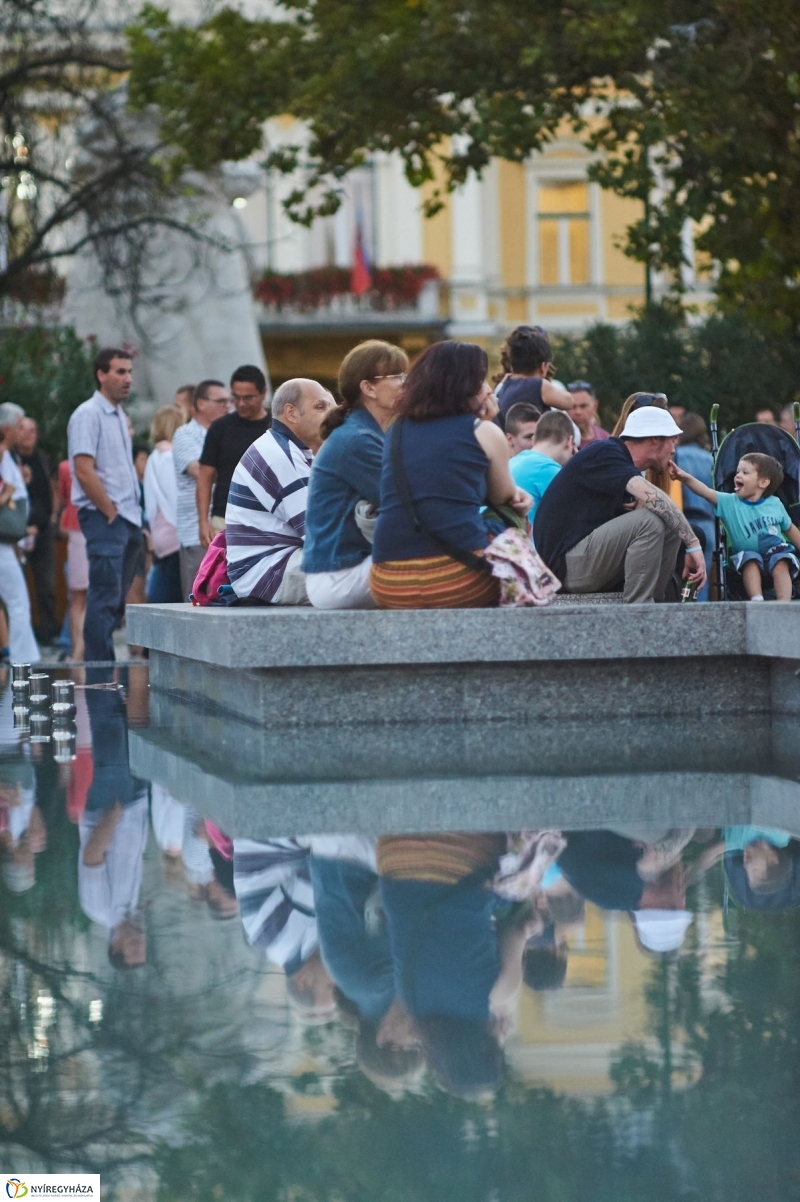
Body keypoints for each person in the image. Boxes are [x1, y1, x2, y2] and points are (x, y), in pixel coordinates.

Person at [371, 341, 531, 609]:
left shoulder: (395, 429)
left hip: (388, 582)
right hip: (460, 580)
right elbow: (503, 495)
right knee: (511, 511)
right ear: (463, 386)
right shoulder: (484, 431)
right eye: (479, 381)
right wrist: (489, 423)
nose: (487, 389)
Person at [534, 406, 706, 602]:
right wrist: (693, 545)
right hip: (565, 568)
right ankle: (638, 612)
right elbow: (656, 498)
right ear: (654, 440)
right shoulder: (605, 452)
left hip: (583, 560)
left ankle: (660, 606)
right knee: (650, 519)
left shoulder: (620, 466)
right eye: (672, 440)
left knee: (666, 521)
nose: (674, 449)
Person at [303, 340, 409, 609]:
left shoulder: (368, 433)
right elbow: (407, 502)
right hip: (339, 576)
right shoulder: (357, 440)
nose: (404, 384)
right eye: (396, 377)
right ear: (368, 388)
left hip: (349, 568)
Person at [226, 378, 335, 604]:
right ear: (291, 413)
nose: (333, 416)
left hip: (269, 566)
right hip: (266, 573)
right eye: (320, 406)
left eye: (332, 407)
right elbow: (320, 533)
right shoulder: (281, 455)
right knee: (373, 575)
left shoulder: (286, 447)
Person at [66, 348, 144, 663]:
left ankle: (104, 669)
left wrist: (136, 520)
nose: (128, 379)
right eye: (120, 372)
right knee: (103, 597)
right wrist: (111, 513)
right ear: (101, 374)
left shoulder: (118, 415)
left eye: (129, 371)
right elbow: (84, 470)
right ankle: (99, 673)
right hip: (105, 517)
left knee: (114, 601)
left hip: (127, 518)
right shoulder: (88, 414)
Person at [670, 451, 800, 601]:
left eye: (745, 472)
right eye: (737, 471)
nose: (737, 475)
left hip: (775, 551)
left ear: (763, 482)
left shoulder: (775, 504)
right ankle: (757, 599)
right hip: (748, 553)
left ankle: (784, 602)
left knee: (781, 562)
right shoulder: (729, 502)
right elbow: (705, 492)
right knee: (750, 561)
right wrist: (685, 477)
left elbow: (790, 529)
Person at [197, 365, 270, 548]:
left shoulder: (277, 427)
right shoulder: (220, 428)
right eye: (236, 397)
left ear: (263, 393)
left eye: (248, 398)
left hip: (269, 519)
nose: (241, 403)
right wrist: (203, 522)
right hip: (225, 519)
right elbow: (205, 477)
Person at [172, 379, 230, 601]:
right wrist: (231, 465)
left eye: (229, 401)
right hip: (198, 533)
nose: (227, 406)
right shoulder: (185, 434)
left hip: (224, 527)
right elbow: (199, 471)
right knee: (198, 597)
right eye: (221, 401)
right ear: (201, 403)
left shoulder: (226, 432)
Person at [0, 403, 40, 663]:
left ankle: (19, 655)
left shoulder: (9, 456)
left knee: (14, 599)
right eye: (18, 426)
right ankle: (22, 659)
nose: (20, 431)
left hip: (7, 539)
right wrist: (9, 493)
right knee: (17, 600)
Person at [16, 417, 59, 645]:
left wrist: (52, 517)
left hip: (43, 532)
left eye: (33, 430)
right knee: (18, 587)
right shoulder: (11, 460)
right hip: (17, 534)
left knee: (47, 586)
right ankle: (20, 636)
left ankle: (48, 634)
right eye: (24, 430)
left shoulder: (42, 459)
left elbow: (53, 489)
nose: (29, 434)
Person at [493, 326, 574, 430]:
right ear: (543, 367)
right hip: (536, 442)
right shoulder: (539, 385)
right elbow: (569, 402)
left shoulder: (505, 385)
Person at [143, 406, 185, 603]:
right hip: (173, 531)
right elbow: (175, 497)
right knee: (171, 595)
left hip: (161, 530)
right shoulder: (169, 457)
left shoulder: (154, 456)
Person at [675, 412, 715, 601]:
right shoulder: (710, 459)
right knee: (702, 579)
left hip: (683, 523)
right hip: (707, 525)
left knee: (679, 576)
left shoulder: (677, 456)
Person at [509, 410, 575, 518]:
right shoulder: (549, 469)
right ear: (569, 441)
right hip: (522, 534)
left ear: (534, 439)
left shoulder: (513, 461)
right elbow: (573, 514)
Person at [57, 459, 87, 661]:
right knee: (85, 594)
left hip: (75, 525)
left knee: (78, 595)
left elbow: (64, 497)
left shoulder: (65, 467)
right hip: (85, 525)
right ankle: (79, 650)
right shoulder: (67, 467)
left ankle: (78, 649)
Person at [566, 381, 609, 448]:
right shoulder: (559, 441)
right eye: (573, 406)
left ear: (595, 406)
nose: (578, 412)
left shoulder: (605, 440)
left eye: (583, 406)